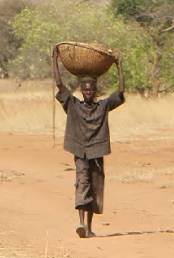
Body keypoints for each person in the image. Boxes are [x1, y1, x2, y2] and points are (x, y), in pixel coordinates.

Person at [52, 48, 125, 238]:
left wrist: (119, 66)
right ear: (81, 91)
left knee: (95, 185)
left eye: (91, 89)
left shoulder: (103, 106)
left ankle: (89, 228)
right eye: (85, 89)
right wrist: (54, 59)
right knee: (82, 183)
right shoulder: (73, 105)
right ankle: (81, 224)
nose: (88, 92)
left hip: (97, 151)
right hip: (80, 151)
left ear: (96, 91)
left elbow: (121, 91)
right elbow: (59, 84)